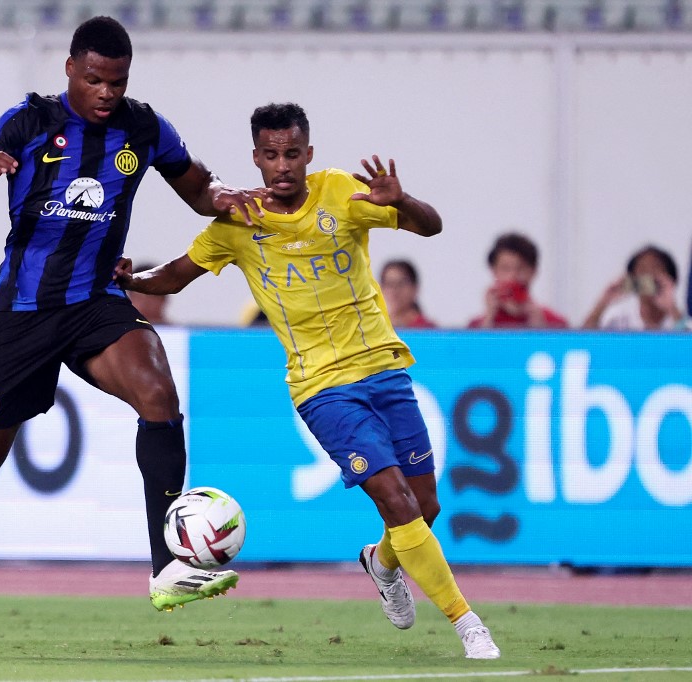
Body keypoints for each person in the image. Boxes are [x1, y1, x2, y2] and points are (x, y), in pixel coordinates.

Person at [0, 16, 267, 654]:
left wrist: (225, 196)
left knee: (158, 394)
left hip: (96, 301)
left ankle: (166, 567)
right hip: (22, 314)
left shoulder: (144, 128)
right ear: (70, 68)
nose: (106, 92)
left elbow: (198, 190)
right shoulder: (25, 123)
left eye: (117, 82)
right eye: (95, 79)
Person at [115, 102, 501, 660]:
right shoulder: (239, 223)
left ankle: (381, 563)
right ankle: (469, 625)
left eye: (292, 154)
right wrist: (134, 279)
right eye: (271, 155)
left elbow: (431, 226)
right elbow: (174, 276)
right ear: (256, 158)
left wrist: (403, 202)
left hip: (384, 369)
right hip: (322, 387)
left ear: (308, 154)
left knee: (424, 506)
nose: (283, 166)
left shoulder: (341, 192)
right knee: (395, 501)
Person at [467, 232, 567, 329]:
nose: (513, 276)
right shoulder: (475, 327)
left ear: (533, 272)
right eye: (505, 268)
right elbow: (475, 340)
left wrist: (541, 329)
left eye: (521, 268)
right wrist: (488, 319)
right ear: (494, 271)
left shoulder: (556, 324)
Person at [581, 244, 690, 331]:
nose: (648, 275)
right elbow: (583, 341)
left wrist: (672, 308)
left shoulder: (679, 319)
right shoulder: (619, 319)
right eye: (642, 270)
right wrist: (603, 302)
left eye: (655, 269)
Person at [379, 259, 437, 328]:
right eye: (389, 284)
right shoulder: (377, 327)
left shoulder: (427, 329)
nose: (394, 290)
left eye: (401, 283)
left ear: (415, 287)